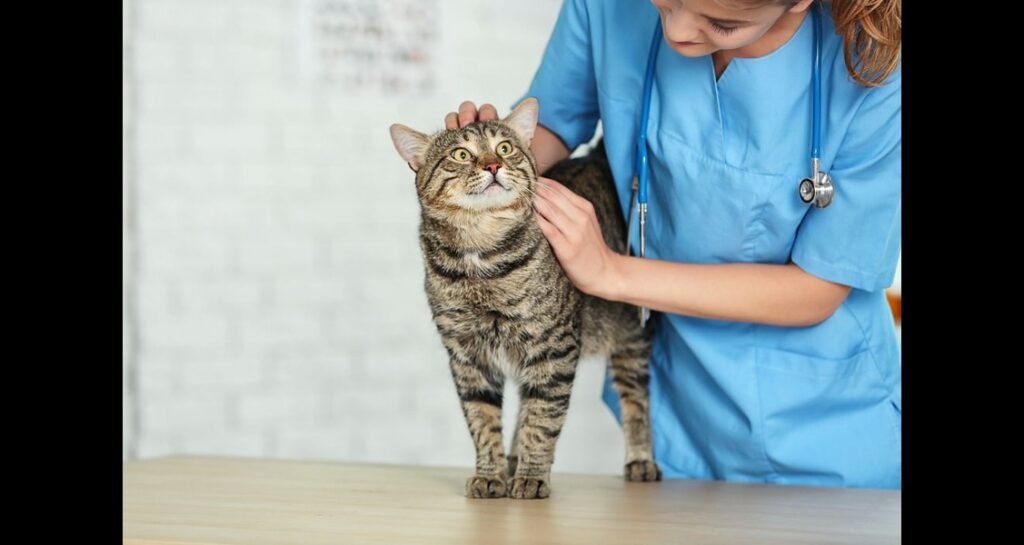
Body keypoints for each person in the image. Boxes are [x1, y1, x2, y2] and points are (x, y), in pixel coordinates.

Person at [445, 0, 901, 489]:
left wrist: (612, 273)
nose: (677, 33)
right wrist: (489, 162)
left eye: (722, 23)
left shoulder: (877, 68)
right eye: (661, 2)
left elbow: (819, 287)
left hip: (828, 432)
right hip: (675, 418)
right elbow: (553, 122)